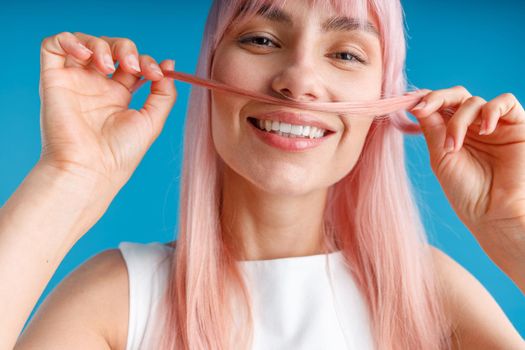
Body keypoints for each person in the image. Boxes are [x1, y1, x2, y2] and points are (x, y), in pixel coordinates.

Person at [1, 0, 524, 349]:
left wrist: (513, 228)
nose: (299, 80)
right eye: (261, 41)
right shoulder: (119, 297)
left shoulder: (427, 291)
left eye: (345, 53)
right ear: (210, 65)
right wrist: (69, 177)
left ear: (387, 98)